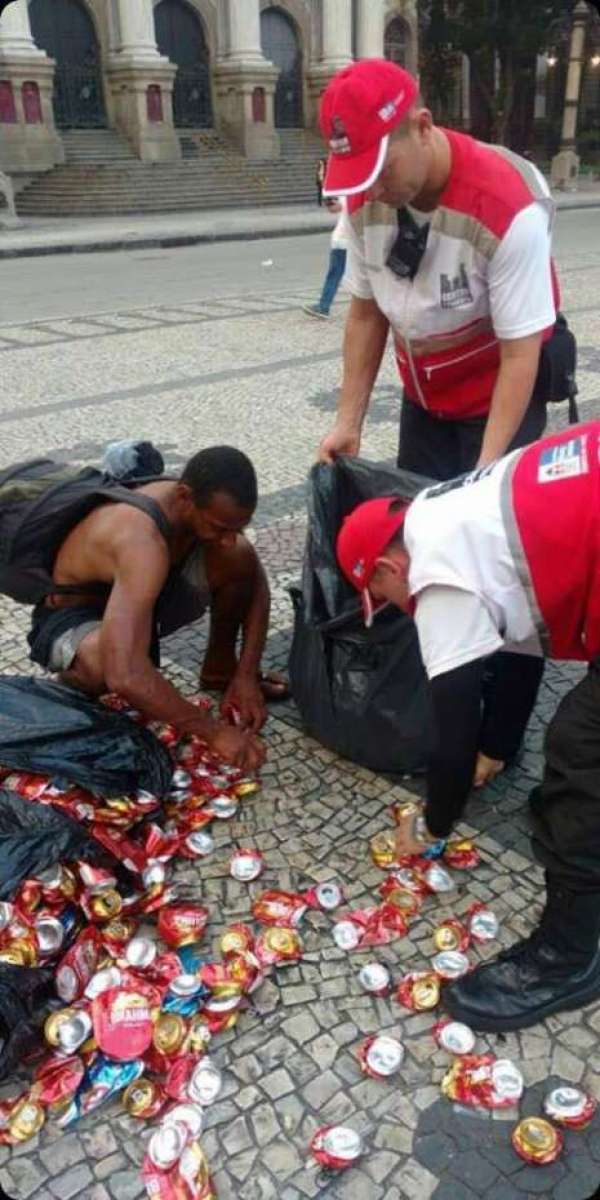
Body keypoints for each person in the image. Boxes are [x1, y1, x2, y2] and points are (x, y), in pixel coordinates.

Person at [336, 420, 600, 1033]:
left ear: (386, 566)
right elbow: (519, 634)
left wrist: (432, 821)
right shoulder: (446, 506)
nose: (402, 609)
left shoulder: (435, 572)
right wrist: (498, 749)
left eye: (383, 593)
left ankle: (569, 958)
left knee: (581, 752)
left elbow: (452, 731)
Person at [316, 58, 558, 482]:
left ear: (423, 127)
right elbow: (365, 314)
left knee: (485, 529)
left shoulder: (508, 208)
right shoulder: (364, 201)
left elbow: (521, 353)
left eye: (380, 169)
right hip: (425, 397)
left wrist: (486, 473)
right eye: (359, 174)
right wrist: (348, 422)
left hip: (496, 398)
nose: (370, 191)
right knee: (419, 522)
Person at [27, 446, 287, 774]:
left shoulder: (193, 507)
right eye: (220, 527)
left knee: (239, 556)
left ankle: (221, 671)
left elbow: (255, 581)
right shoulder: (141, 541)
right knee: (107, 664)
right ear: (184, 495)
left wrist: (246, 675)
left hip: (136, 599)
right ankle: (71, 684)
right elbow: (125, 674)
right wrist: (215, 732)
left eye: (238, 527)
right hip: (73, 617)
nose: (226, 539)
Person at [303, 198, 348, 320]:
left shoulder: (350, 194)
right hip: (352, 240)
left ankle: (323, 306)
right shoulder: (357, 192)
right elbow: (335, 208)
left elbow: (334, 208)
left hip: (343, 240)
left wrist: (328, 199)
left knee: (334, 274)